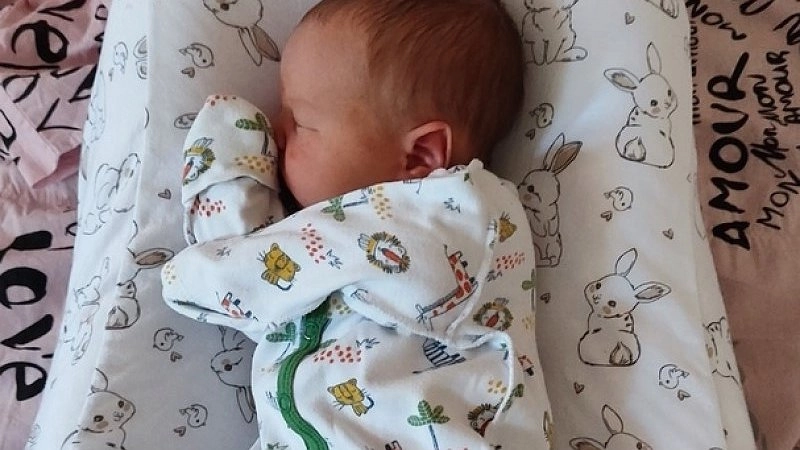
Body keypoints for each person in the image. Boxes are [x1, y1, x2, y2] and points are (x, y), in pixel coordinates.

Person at [162, 1, 553, 449]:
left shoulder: (457, 216)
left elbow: (250, 274)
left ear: (420, 156)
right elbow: (264, 289)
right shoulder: (337, 244)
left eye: (301, 121)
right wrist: (230, 171)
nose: (277, 131)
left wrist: (194, 273)